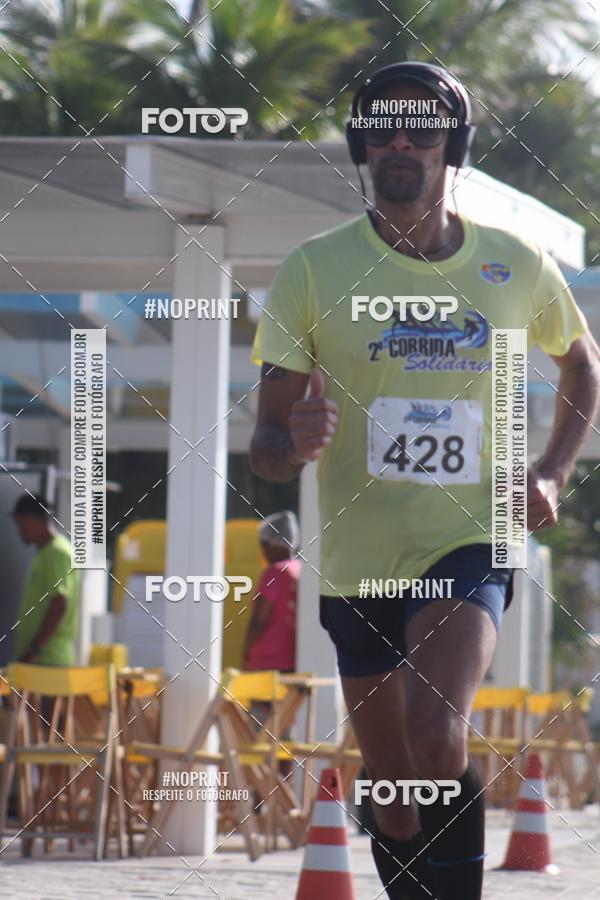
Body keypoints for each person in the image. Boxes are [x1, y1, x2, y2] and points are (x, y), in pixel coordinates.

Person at [248, 61, 600, 900]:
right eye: (383, 130)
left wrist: (552, 472)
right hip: (358, 558)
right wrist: (293, 442)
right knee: (396, 790)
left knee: (436, 730)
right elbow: (263, 445)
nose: (401, 143)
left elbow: (583, 365)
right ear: (363, 147)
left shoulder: (514, 263)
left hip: (469, 536)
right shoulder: (314, 269)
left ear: (454, 146)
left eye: (423, 130)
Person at [11, 494, 80, 666]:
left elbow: (59, 604)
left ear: (37, 520)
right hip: (41, 662)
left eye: (22, 524)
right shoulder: (46, 553)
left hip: (49, 663)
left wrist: (34, 650)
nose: (19, 530)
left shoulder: (57, 553)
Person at [242, 510, 300, 674]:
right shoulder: (301, 571)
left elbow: (258, 621)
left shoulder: (274, 572)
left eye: (263, 545)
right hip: (294, 659)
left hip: (266, 661)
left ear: (273, 544)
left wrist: (245, 653)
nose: (263, 552)